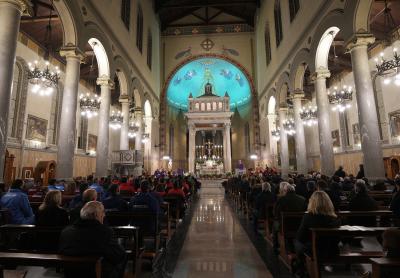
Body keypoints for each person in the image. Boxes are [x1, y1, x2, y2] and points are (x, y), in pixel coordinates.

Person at [59, 201, 126, 277]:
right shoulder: (105, 232)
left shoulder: (66, 232)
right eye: (103, 212)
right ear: (97, 215)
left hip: (72, 273)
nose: (104, 215)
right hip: (96, 273)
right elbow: (117, 256)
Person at [294, 191, 341, 277]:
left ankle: (301, 268)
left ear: (312, 202)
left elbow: (300, 237)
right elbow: (337, 238)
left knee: (297, 242)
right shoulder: (335, 218)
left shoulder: (308, 217)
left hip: (313, 249)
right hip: (332, 249)